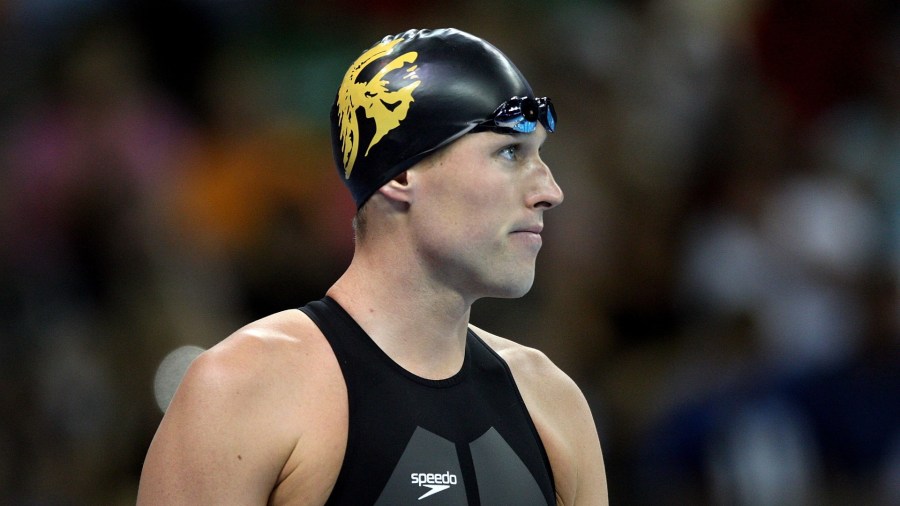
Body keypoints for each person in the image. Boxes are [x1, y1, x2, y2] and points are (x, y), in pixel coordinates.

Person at [137, 28, 608, 505]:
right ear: (402, 172)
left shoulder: (552, 404)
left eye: (540, 156)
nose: (550, 191)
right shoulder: (243, 391)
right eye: (510, 152)